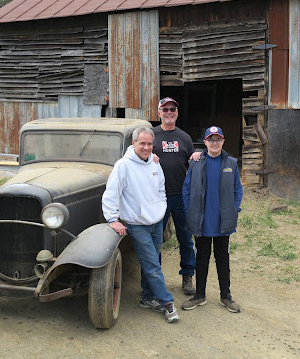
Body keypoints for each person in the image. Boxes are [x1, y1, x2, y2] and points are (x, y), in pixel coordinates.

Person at [102, 126, 180, 323]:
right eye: (142, 143)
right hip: (137, 224)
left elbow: (161, 188)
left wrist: (161, 208)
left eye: (149, 144)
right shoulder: (123, 166)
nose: (146, 147)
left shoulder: (154, 163)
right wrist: (112, 219)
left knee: (152, 261)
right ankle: (167, 302)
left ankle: (147, 297)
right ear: (133, 143)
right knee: (152, 265)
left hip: (156, 221)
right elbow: (112, 193)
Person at [181, 126, 243, 313]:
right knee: (202, 258)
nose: (214, 143)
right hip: (202, 221)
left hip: (222, 222)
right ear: (205, 142)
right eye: (211, 139)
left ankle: (226, 296)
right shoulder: (196, 163)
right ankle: (200, 295)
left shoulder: (231, 163)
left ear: (223, 141)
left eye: (218, 139)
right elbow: (186, 189)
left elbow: (237, 190)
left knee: (222, 258)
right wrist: (188, 210)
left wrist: (235, 209)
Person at [152, 97, 197, 296]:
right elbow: (134, 154)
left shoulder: (184, 137)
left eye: (173, 109)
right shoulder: (151, 135)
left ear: (177, 113)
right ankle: (155, 278)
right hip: (157, 196)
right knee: (155, 239)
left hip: (180, 196)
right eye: (165, 109)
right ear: (159, 112)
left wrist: (197, 154)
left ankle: (187, 275)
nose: (169, 112)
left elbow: (193, 161)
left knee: (185, 238)